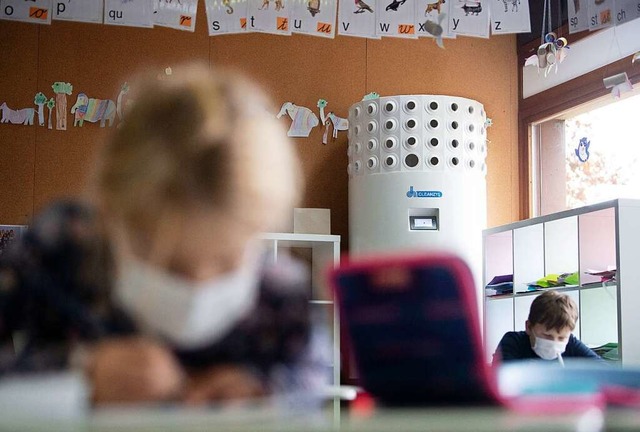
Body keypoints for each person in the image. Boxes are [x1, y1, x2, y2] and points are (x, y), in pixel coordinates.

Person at [0, 63, 328, 407]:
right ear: (112, 215)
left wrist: (265, 393)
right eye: (170, 264)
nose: (197, 287)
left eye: (226, 262)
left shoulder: (279, 294)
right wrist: (80, 374)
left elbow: (315, 381)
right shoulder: (64, 243)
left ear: (259, 232)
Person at [493, 290, 601, 364]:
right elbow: (501, 381)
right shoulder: (513, 342)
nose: (554, 343)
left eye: (561, 338)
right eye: (547, 336)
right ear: (529, 327)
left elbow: (603, 372)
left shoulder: (571, 344)